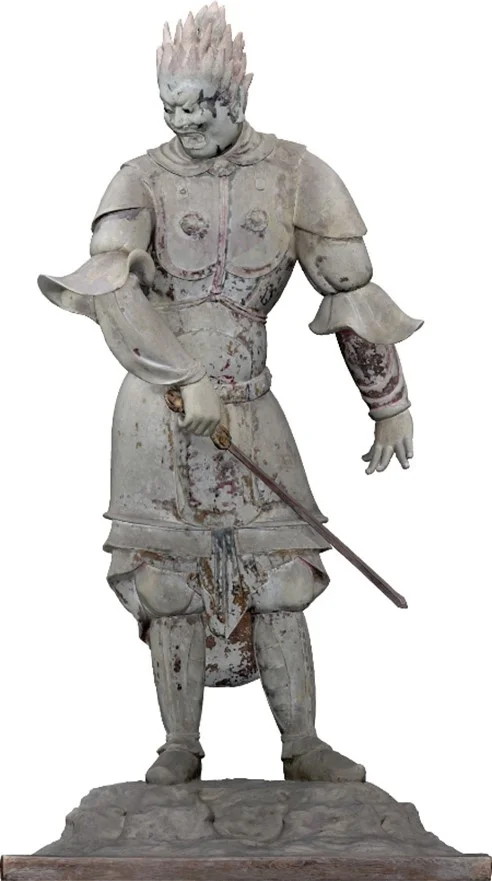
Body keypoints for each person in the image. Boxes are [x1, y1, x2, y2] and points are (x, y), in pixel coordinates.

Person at [39, 3, 421, 786]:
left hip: (251, 401)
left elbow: (349, 290)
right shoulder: (139, 179)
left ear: (238, 96)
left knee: (281, 576)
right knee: (167, 583)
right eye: (170, 107)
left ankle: (301, 743)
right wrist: (182, 377)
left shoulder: (295, 175)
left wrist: (388, 402)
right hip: (158, 411)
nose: (184, 124)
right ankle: (180, 745)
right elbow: (112, 292)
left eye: (200, 108)